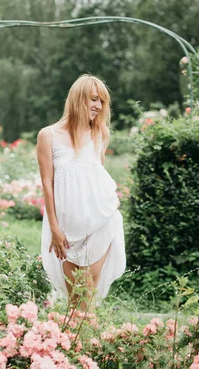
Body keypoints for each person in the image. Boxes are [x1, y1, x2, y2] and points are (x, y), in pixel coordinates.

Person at [36, 74, 126, 311]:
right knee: (74, 301)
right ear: (78, 99)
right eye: (94, 99)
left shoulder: (99, 134)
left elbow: (97, 177)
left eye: (102, 102)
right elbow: (47, 184)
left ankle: (87, 345)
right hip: (65, 229)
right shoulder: (48, 136)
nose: (98, 106)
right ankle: (79, 346)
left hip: (100, 223)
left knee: (85, 294)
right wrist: (54, 228)